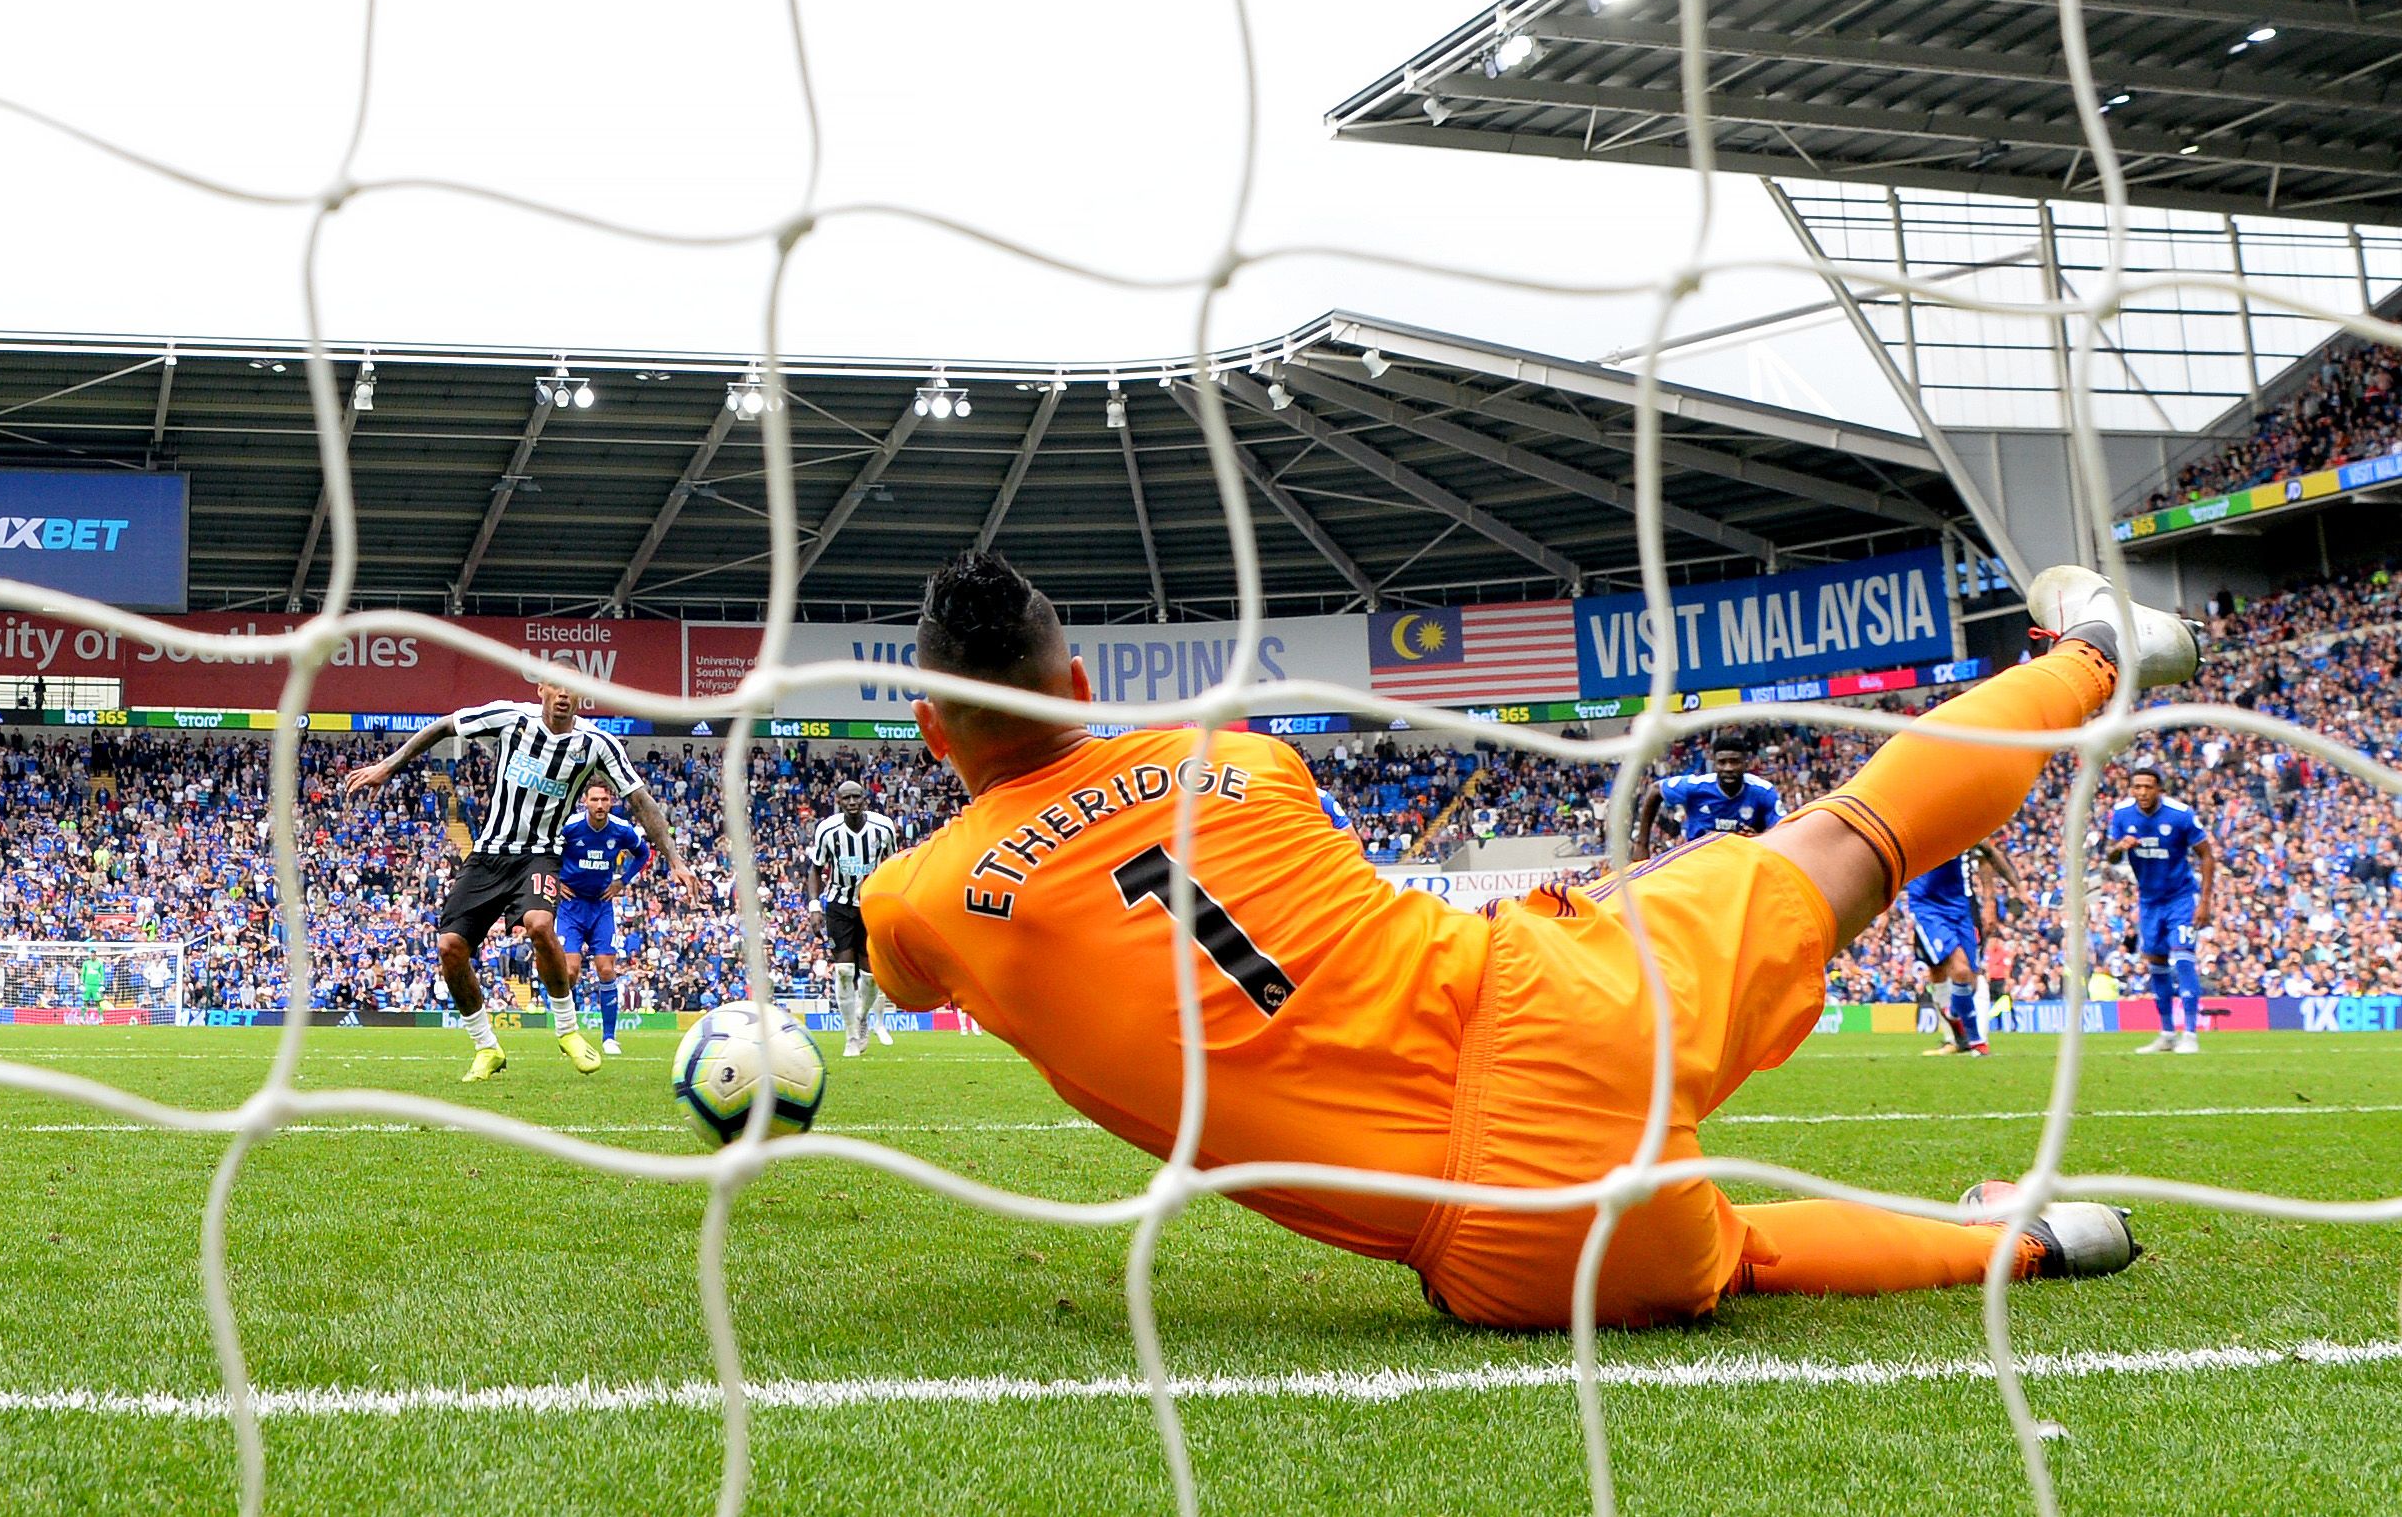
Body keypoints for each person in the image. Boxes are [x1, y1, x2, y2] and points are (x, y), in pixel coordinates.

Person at [860, 552, 2179, 1332]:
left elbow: (901, 972)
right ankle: (2091, 659)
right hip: (1548, 1003)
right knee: (1846, 842)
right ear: (1080, 684)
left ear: (929, 728)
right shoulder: (1241, 757)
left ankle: (2037, 1242)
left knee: (1730, 1257)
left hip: (1493, 1242)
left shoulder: (922, 895)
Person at [344, 679, 702, 1081]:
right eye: (556, 686)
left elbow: (639, 798)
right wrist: (387, 766)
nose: (564, 694)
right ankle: (486, 1047)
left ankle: (567, 1031)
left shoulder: (596, 744)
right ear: (541, 689)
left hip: (540, 854)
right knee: (449, 947)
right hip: (489, 854)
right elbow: (445, 725)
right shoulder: (511, 718)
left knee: (540, 924)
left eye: (572, 688)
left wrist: (675, 859)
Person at [2104, 760, 2219, 1055]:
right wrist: (2119, 847)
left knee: (2183, 959)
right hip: (2149, 901)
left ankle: (2190, 1034)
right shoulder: (2122, 814)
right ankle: (2167, 1033)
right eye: (2137, 787)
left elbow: (2207, 855)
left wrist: (2205, 902)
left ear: (2159, 790)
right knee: (2156, 964)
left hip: (2180, 898)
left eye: (2147, 787)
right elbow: (2110, 856)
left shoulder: (2180, 814)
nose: (2142, 792)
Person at [555, 781, 650, 1056]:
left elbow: (643, 853)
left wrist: (623, 881)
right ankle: (567, 1033)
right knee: (570, 971)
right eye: (594, 799)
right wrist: (555, 880)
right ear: (585, 801)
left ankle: (609, 1038)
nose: (599, 805)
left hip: (601, 906)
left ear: (612, 802)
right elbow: (545, 851)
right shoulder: (570, 827)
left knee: (606, 970)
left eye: (604, 800)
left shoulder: (621, 829)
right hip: (571, 907)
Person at [1902, 840, 2023, 1057]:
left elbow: (1986, 854)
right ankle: (1958, 1038)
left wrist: (1990, 900)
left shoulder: (1962, 825)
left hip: (1963, 905)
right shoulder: (1915, 826)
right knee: (1938, 969)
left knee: (1968, 973)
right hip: (1928, 906)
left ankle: (1970, 1029)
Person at [807, 779, 900, 1058]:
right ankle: (850, 1037)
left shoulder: (883, 827)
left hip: (871, 904)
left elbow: (893, 865)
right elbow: (815, 869)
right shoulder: (827, 830)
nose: (851, 802)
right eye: (846, 798)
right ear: (838, 801)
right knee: (844, 971)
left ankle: (861, 1016)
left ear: (864, 799)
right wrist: (814, 905)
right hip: (839, 905)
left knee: (870, 977)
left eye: (856, 797)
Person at [1632, 735, 1782, 860]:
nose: (1728, 768)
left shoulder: (1763, 791)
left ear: (1745, 763)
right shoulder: (1696, 786)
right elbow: (1655, 790)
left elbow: (1783, 829)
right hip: (1700, 861)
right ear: (1714, 764)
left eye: (1734, 762)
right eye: (1722, 762)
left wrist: (1760, 837)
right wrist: (1641, 845)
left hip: (1744, 862)